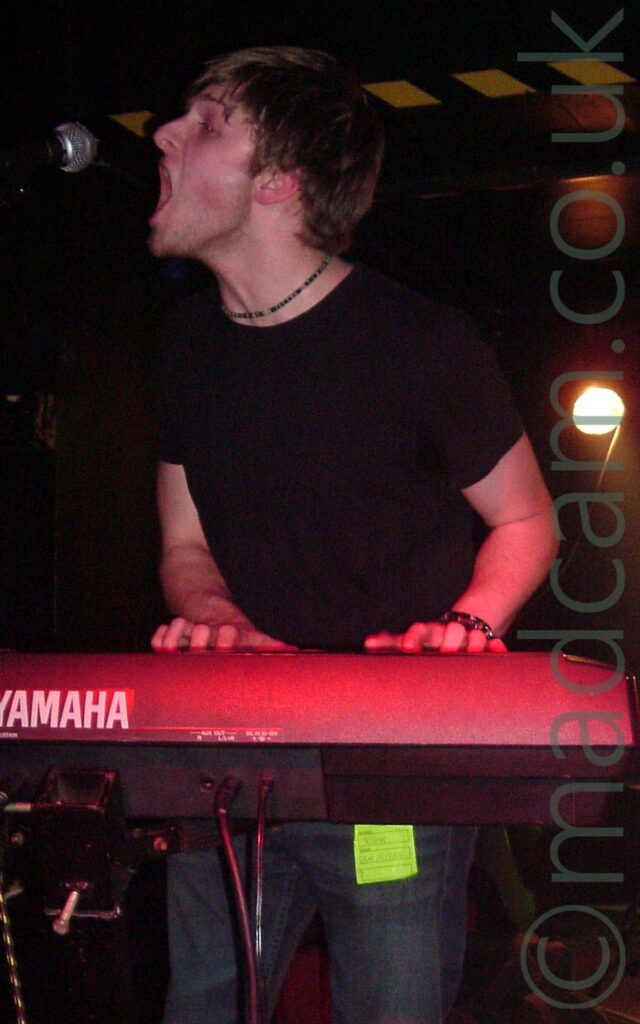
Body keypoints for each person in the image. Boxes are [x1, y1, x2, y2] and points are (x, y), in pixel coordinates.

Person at [149, 46, 558, 1024]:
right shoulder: (185, 348)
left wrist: (468, 621)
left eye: (206, 121)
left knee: (391, 1005)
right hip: (228, 754)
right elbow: (183, 546)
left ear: (281, 181)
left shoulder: (418, 342)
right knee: (203, 1002)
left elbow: (527, 520)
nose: (164, 132)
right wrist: (214, 618)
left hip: (388, 773)